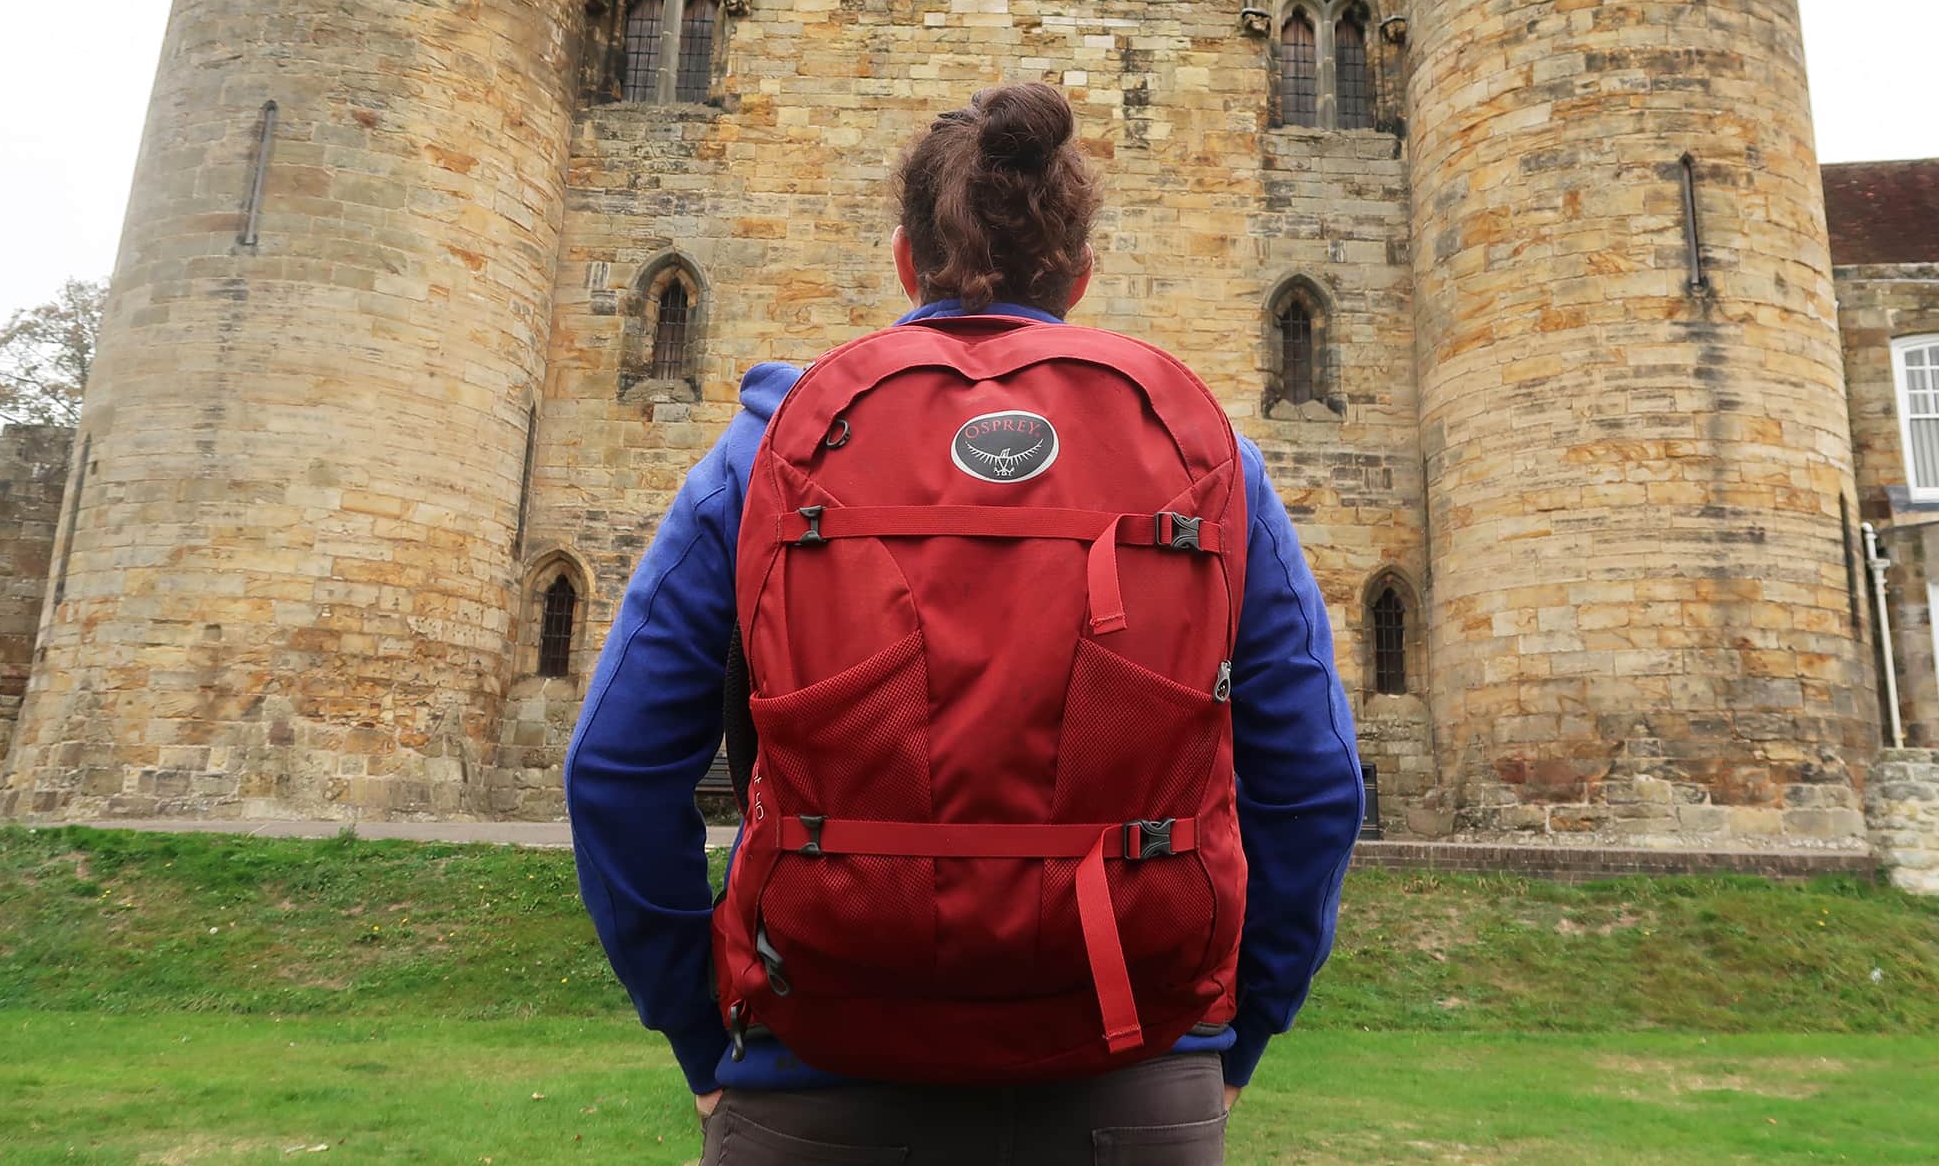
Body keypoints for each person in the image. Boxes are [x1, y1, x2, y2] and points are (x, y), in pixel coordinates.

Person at [565, 82, 1364, 1165]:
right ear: (1077, 275)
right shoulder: (1208, 457)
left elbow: (613, 768)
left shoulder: (766, 453)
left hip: (812, 1072)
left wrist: (702, 1037)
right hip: (1131, 1076)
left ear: (904, 259)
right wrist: (1233, 1038)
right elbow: (1312, 781)